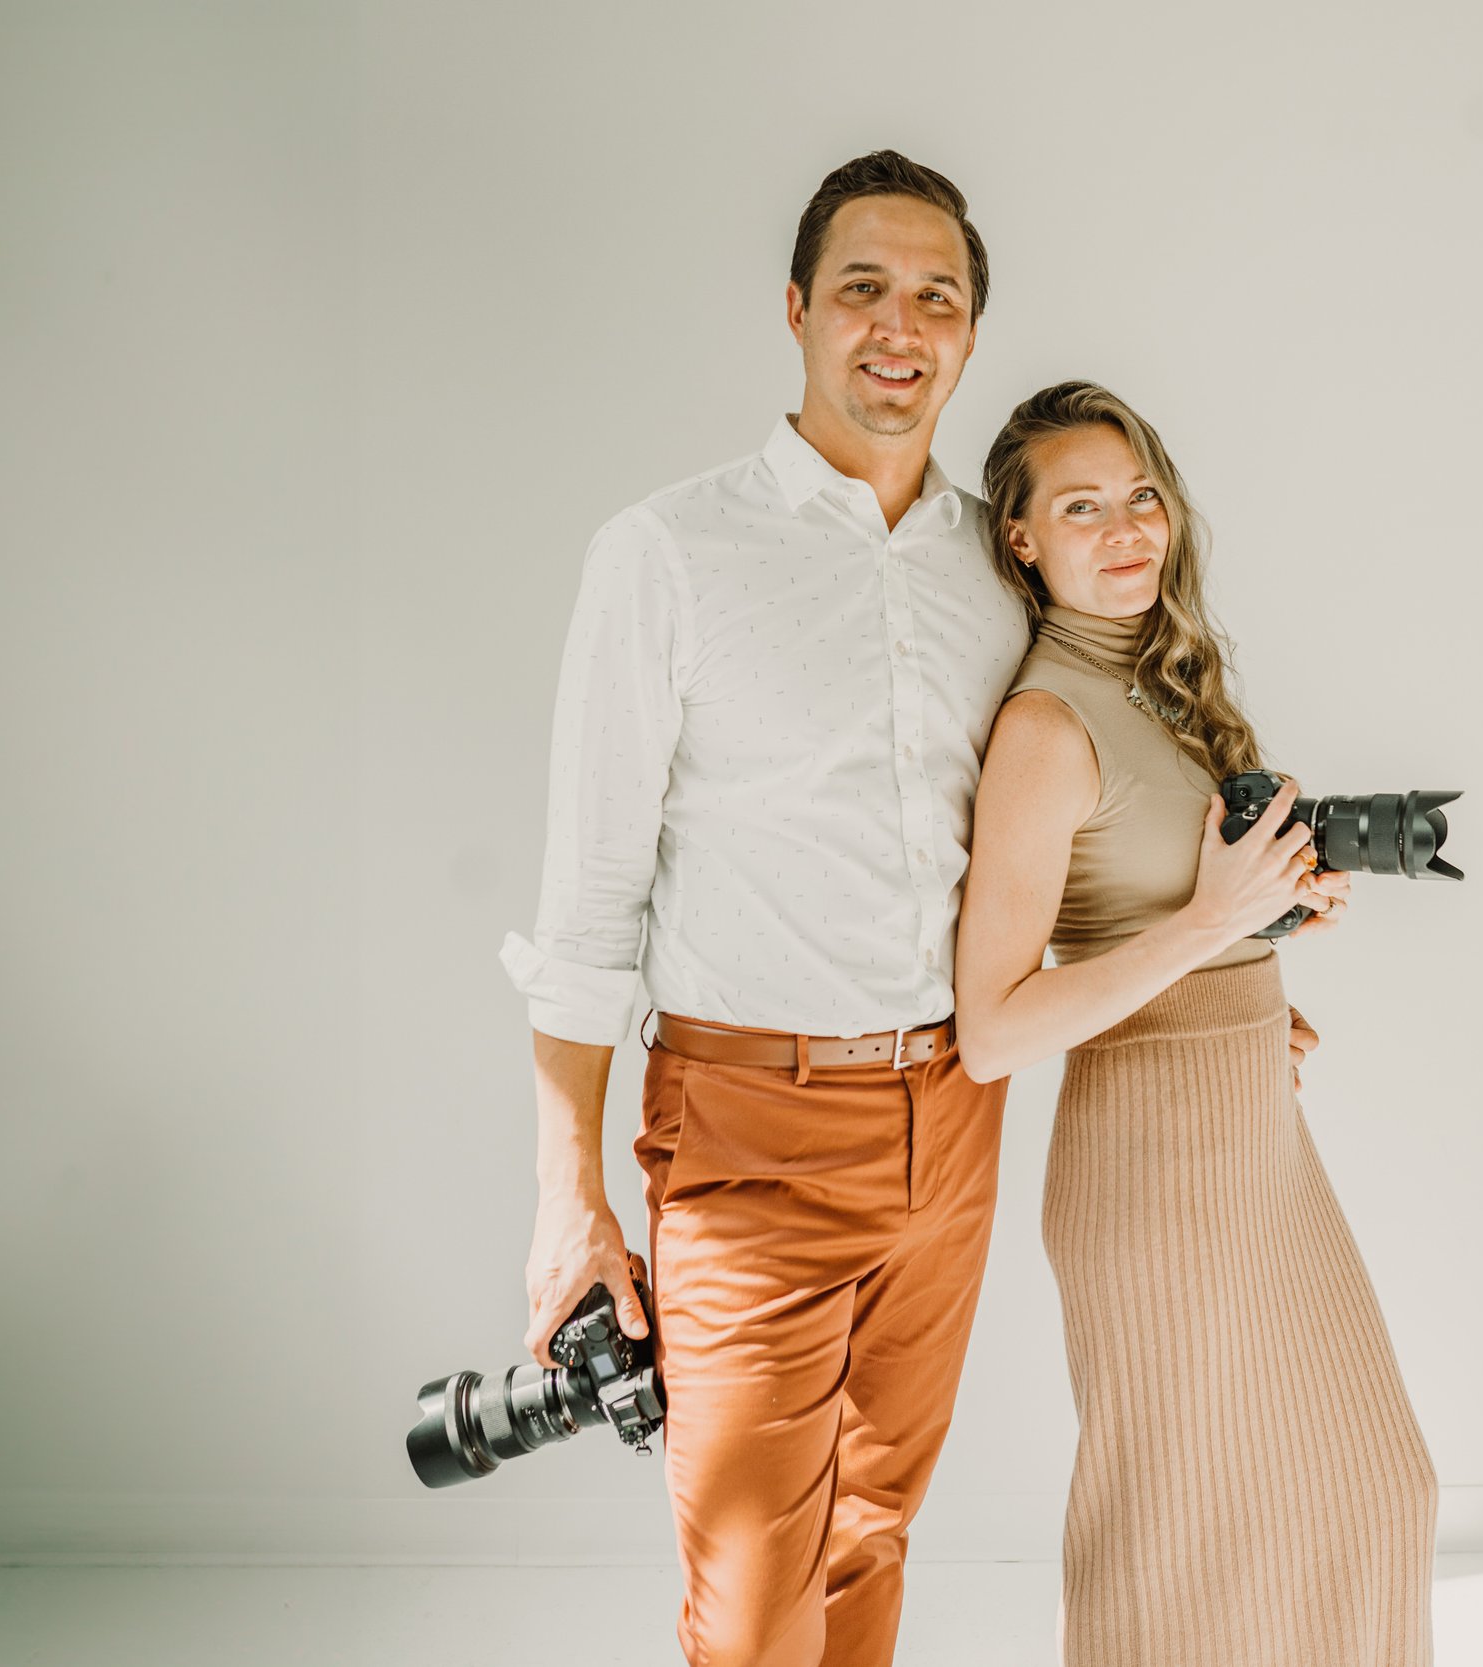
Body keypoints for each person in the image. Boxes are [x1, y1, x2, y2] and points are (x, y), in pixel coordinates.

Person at [498, 151, 1030, 1667]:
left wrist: (1224, 985)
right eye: (863, 287)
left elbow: (1056, 842)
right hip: (746, 1139)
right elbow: (588, 908)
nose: (899, 326)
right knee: (749, 1610)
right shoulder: (666, 555)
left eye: (936, 297)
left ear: (971, 333)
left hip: (955, 1117)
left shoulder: (1003, 568)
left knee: (868, 1541)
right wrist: (567, 1195)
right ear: (796, 310)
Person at [954, 381, 1440, 1666]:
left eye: (1140, 497)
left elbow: (1164, 925)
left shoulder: (1163, 689)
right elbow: (992, 1029)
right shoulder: (1044, 726)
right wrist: (1213, 918)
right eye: (1080, 508)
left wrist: (1255, 956)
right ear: (1020, 538)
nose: (1125, 530)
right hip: (1151, 1167)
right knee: (1176, 1538)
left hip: (1250, 1138)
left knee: (1368, 1492)